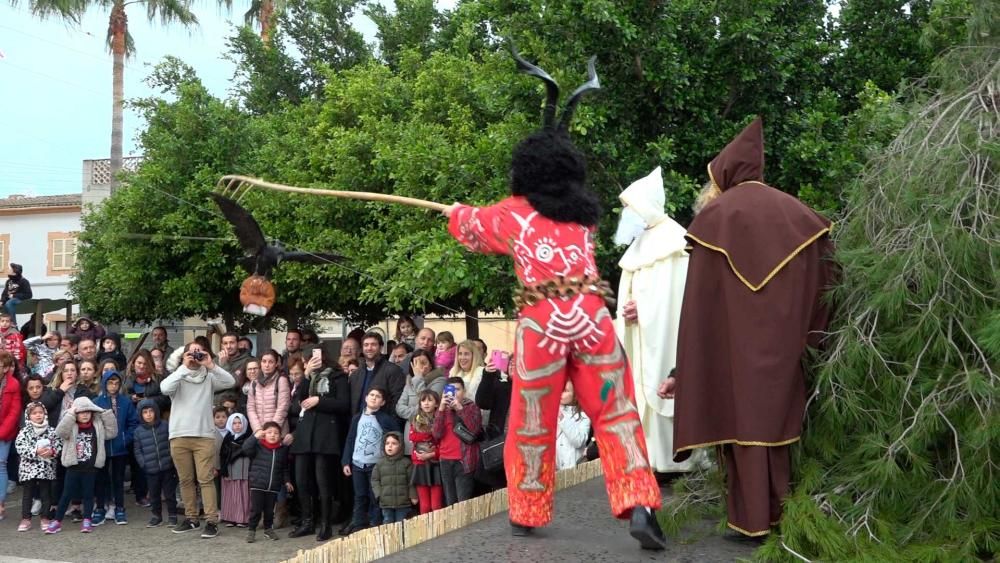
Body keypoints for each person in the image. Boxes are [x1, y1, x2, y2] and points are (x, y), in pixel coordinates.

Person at [441, 50, 665, 548]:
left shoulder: (513, 213)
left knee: (531, 417)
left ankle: (528, 507)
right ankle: (640, 502)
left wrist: (455, 212)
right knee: (615, 410)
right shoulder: (584, 218)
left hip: (542, 323)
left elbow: (472, 228)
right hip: (592, 319)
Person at [665, 117, 836, 540]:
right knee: (778, 431)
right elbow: (828, 285)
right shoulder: (802, 218)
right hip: (787, 353)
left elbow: (699, 311)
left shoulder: (713, 222)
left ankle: (751, 520)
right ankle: (784, 515)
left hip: (731, 356)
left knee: (740, 432)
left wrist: (687, 370)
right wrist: (813, 341)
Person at [613, 167, 703, 474]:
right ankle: (650, 460)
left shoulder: (676, 245)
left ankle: (679, 465)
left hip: (666, 342)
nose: (625, 215)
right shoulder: (639, 246)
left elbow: (678, 300)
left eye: (629, 209)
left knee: (670, 395)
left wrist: (646, 310)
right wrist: (628, 310)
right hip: (640, 341)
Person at [160, 340, 235, 538]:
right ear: (184, 355)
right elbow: (164, 388)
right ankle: (191, 518)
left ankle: (211, 521)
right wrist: (183, 367)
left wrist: (211, 364)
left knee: (205, 479)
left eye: (198, 352)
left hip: (203, 435)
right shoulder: (178, 376)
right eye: (191, 353)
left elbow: (230, 382)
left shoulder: (209, 377)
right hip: (179, 434)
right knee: (185, 480)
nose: (195, 356)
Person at [288, 354, 350, 540]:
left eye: (313, 359)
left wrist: (319, 401)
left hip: (326, 434)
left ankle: (325, 524)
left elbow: (343, 404)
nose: (310, 362)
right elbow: (300, 400)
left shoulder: (337, 377)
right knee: (301, 479)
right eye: (307, 361)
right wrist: (306, 375)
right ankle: (307, 521)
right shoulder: (308, 378)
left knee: (323, 482)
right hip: (305, 433)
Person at [47, 396, 118, 534]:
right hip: (73, 467)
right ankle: (57, 521)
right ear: (75, 413)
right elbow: (60, 432)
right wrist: (70, 414)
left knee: (88, 494)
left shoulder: (97, 425)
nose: (85, 415)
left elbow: (112, 432)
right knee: (66, 495)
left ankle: (87, 520)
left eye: (88, 411)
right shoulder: (71, 425)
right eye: (81, 412)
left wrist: (105, 413)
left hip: (90, 468)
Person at [340, 387, 399, 535]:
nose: (374, 398)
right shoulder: (357, 418)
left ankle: (375, 523)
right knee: (359, 495)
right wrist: (346, 461)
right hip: (358, 463)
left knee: (375, 496)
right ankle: (358, 523)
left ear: (383, 402)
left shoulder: (386, 419)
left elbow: (395, 436)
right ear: (366, 398)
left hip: (376, 465)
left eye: (378, 396)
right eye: (371, 395)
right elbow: (350, 439)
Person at [92, 369, 140, 526]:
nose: (113, 386)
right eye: (110, 383)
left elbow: (133, 422)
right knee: (101, 478)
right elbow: (93, 424)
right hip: (102, 447)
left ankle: (119, 507)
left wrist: (126, 438)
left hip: (120, 447)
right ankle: (100, 507)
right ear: (104, 384)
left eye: (116, 383)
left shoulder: (125, 402)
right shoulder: (97, 402)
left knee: (118, 479)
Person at [431, 377, 481, 507]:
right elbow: (436, 434)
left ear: (464, 391)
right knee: (450, 501)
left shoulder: (471, 407)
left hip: (463, 460)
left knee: (462, 502)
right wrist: (441, 409)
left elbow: (474, 429)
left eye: (457, 389)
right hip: (445, 461)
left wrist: (459, 408)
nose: (454, 393)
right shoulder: (442, 410)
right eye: (451, 389)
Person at [243, 421, 292, 543]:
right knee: (256, 509)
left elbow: (284, 468)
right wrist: (255, 436)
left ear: (280, 436)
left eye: (276, 433)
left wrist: (287, 481)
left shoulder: (282, 450)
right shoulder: (258, 447)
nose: (273, 435)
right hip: (258, 485)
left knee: (270, 511)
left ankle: (268, 529)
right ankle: (251, 530)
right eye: (269, 432)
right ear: (264, 434)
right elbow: (245, 448)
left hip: (273, 487)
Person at [132, 398, 178, 528]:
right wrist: (143, 463)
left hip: (167, 466)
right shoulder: (138, 431)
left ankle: (173, 515)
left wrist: (171, 459)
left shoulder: (165, 426)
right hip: (150, 469)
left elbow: (171, 443)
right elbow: (137, 450)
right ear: (141, 414)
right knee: (154, 494)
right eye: (145, 412)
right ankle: (156, 516)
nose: (148, 414)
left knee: (169, 493)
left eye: (151, 411)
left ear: (156, 412)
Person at [15, 401, 60, 531]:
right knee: (28, 494)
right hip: (28, 469)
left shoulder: (51, 431)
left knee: (46, 493)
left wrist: (52, 451)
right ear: (28, 416)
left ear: (45, 414)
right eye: (34, 413)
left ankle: (45, 517)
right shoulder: (24, 431)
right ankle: (26, 519)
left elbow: (58, 444)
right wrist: (35, 451)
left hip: (46, 468)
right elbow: (20, 447)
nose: (38, 415)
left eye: (40, 412)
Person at [395, 349, 446, 456]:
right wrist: (418, 413)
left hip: (429, 437)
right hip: (411, 435)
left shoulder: (439, 380)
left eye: (423, 363)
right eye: (416, 363)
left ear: (431, 365)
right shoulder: (409, 382)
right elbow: (399, 408)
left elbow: (430, 405)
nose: (419, 367)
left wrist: (418, 378)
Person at [348, 332, 404, 419]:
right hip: (359, 426)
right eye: (366, 345)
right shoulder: (355, 375)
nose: (369, 348)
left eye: (373, 344)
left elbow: (397, 402)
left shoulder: (393, 371)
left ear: (381, 347)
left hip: (383, 427)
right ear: (362, 348)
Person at [408, 390, 442, 514]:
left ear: (437, 404)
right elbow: (412, 437)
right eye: (423, 400)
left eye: (430, 400)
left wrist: (432, 452)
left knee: (436, 505)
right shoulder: (416, 419)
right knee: (425, 505)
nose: (426, 403)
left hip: (435, 463)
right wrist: (429, 435)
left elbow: (441, 439)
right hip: (420, 464)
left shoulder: (440, 418)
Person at [371, 432, 416, 523]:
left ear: (400, 446)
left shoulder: (406, 463)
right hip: (386, 503)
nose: (390, 446)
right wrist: (379, 494)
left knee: (402, 524)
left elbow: (411, 481)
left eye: (394, 443)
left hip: (403, 503)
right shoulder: (380, 463)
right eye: (387, 443)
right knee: (388, 524)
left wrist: (413, 495)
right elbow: (375, 480)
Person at [0, 350, 23, 521]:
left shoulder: (13, 384)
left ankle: (0, 504)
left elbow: (14, 413)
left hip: (4, 433)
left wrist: (1, 433)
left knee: (1, 466)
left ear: (7, 368)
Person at [219, 412, 252, 528]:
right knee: (230, 494)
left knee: (243, 495)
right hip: (230, 472)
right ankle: (230, 517)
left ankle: (243, 518)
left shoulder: (248, 438)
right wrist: (223, 470)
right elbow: (223, 455)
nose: (237, 425)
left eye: (239, 423)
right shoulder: (228, 438)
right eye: (234, 423)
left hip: (243, 472)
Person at [247, 350, 291, 435]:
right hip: (260, 432)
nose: (267, 365)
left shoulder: (281, 380)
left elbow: (283, 408)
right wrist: (257, 429)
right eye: (264, 361)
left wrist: (271, 431)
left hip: (277, 433)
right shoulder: (254, 382)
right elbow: (251, 408)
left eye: (271, 362)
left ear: (276, 364)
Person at [555, 382, 590, 470]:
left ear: (575, 395)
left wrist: (562, 418)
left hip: (574, 470)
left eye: (565, 391)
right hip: (556, 470)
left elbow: (578, 441)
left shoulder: (584, 416)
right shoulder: (554, 410)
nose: (560, 393)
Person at [217, 332, 251, 405]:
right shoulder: (215, 360)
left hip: (236, 404)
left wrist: (224, 365)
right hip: (216, 404)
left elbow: (235, 383)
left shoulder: (247, 361)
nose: (228, 346)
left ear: (238, 344)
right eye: (225, 343)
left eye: (232, 343)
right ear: (222, 345)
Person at [449, 340, 486, 408]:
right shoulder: (453, 371)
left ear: (474, 356)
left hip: (476, 413)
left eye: (466, 354)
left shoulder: (481, 372)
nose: (462, 358)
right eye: (460, 354)